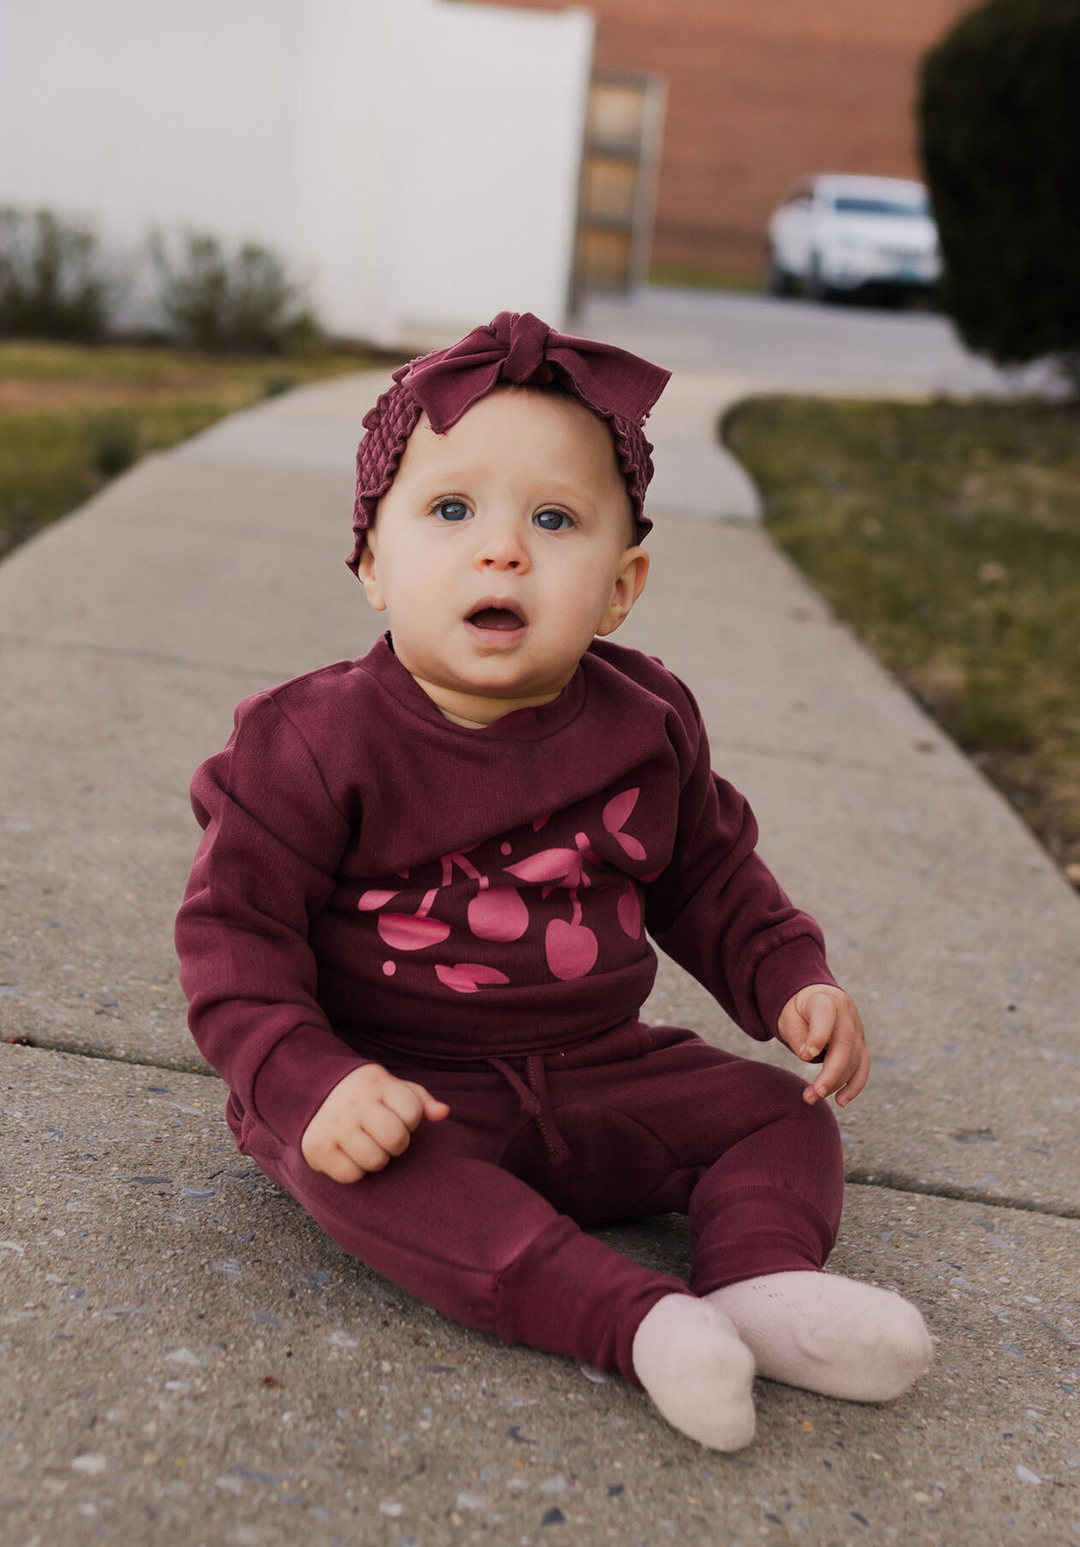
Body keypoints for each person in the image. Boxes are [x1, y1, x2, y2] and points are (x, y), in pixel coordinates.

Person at [176, 311, 932, 1452]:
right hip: (404, 1084)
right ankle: (629, 1320)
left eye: (553, 518)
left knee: (786, 1114)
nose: (502, 549)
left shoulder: (647, 720)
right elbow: (235, 943)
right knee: (372, 1178)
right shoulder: (310, 742)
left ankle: (764, 1284)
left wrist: (789, 974)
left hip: (598, 1066)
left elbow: (710, 870)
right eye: (450, 510)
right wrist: (308, 1080)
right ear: (373, 562)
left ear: (621, 585)